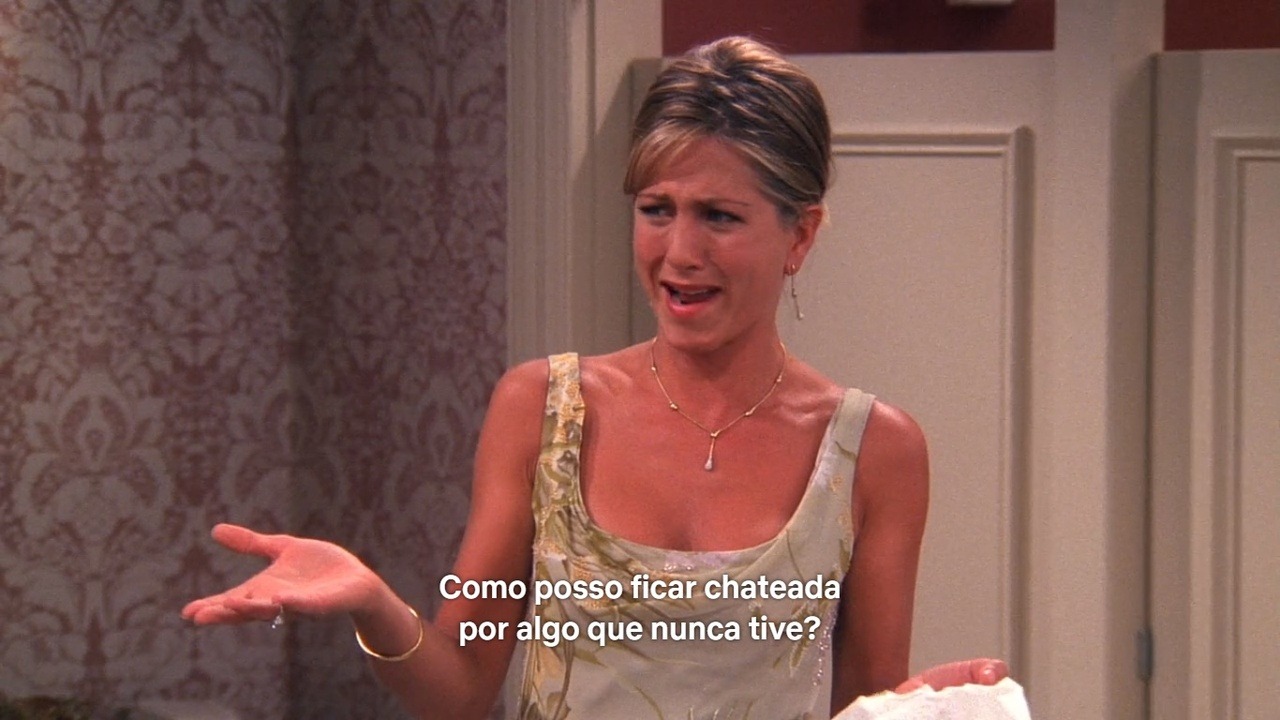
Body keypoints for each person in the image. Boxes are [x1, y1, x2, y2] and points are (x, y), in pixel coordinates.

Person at [183, 36, 1006, 719]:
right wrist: (373, 601)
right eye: (657, 209)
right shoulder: (542, 410)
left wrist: (922, 710)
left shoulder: (874, 452)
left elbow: (862, 710)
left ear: (800, 235)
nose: (680, 252)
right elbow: (461, 685)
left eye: (719, 216)